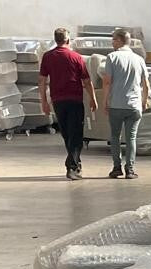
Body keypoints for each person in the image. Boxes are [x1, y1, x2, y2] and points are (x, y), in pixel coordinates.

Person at [39, 27, 96, 181]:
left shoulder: (47, 57)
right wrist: (93, 98)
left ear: (55, 40)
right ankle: (72, 166)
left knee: (67, 134)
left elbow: (42, 81)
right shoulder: (76, 57)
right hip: (74, 99)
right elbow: (87, 80)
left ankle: (75, 164)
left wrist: (44, 101)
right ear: (68, 40)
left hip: (58, 100)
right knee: (76, 134)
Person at [100, 28, 148, 180]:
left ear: (120, 40)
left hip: (116, 104)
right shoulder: (139, 59)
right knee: (131, 138)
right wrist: (144, 101)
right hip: (134, 106)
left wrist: (105, 101)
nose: (112, 42)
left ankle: (116, 168)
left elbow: (107, 82)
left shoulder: (112, 57)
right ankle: (130, 169)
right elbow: (146, 84)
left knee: (115, 137)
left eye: (114, 39)